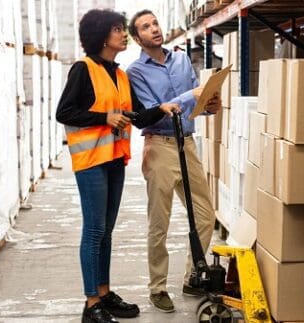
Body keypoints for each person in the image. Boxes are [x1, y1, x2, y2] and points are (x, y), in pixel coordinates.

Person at [56, 9, 179, 323]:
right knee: (94, 230)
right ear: (101, 35)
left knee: (107, 232)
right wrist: (104, 118)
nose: (124, 34)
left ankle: (105, 292)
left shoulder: (120, 74)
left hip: (114, 160)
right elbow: (65, 112)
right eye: (117, 30)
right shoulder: (83, 70)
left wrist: (161, 109)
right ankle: (91, 303)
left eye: (124, 30)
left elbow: (135, 115)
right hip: (91, 161)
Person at [127, 9, 222, 313]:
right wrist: (189, 96)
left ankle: (191, 276)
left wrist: (209, 105)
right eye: (145, 27)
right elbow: (151, 111)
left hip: (187, 144)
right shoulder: (135, 72)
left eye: (155, 23)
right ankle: (157, 287)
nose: (154, 29)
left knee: (206, 214)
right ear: (137, 38)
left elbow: (197, 100)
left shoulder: (181, 59)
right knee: (160, 223)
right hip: (159, 146)